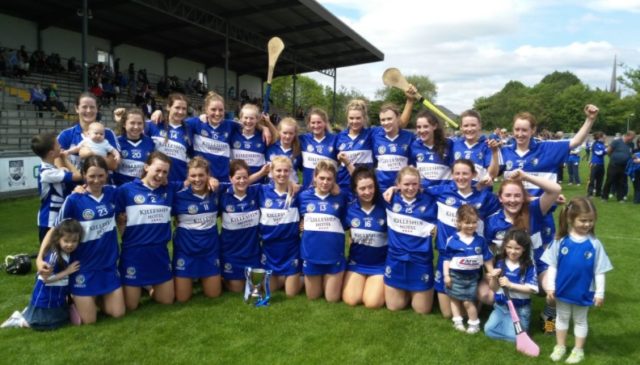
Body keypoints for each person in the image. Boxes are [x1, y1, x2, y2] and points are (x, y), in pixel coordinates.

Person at [37, 156, 125, 324]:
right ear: (84, 175)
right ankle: (72, 298)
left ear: (107, 175)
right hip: (82, 267)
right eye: (91, 176)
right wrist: (40, 259)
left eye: (100, 175)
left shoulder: (113, 193)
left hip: (108, 265)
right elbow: (54, 230)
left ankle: (97, 298)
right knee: (89, 320)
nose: (96, 180)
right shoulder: (74, 199)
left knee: (118, 314)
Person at [543, 197, 613, 364]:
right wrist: (550, 286)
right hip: (562, 289)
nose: (587, 224)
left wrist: (600, 292)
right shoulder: (560, 241)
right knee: (561, 317)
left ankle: (578, 350)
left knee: (580, 320)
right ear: (570, 218)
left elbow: (600, 270)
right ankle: (560, 346)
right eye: (583, 220)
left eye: (591, 221)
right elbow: (552, 266)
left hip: (583, 291)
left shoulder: (595, 244)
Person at [116, 152, 177, 310]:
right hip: (134, 253)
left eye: (165, 172)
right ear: (146, 167)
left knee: (167, 301)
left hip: (159, 253)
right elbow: (106, 205)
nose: (160, 175)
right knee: (130, 306)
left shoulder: (169, 190)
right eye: (157, 170)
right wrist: (81, 189)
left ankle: (149, 287)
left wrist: (211, 179)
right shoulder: (126, 190)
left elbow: (192, 182)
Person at [1, 219, 82, 330]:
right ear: (58, 239)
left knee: (60, 322)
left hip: (58, 296)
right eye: (66, 241)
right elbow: (46, 279)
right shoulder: (53, 256)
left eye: (74, 241)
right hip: (46, 296)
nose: (70, 245)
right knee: (42, 325)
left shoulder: (70, 254)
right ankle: (18, 320)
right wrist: (67, 271)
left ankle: (26, 313)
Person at [383, 166, 437, 314]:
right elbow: (366, 191)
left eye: (414, 184)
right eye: (406, 184)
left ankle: (418, 291)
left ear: (420, 184)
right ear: (398, 184)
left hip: (420, 260)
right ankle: (406, 291)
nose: (411, 188)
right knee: (394, 307)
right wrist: (392, 189)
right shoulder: (390, 198)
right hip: (395, 259)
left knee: (422, 310)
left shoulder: (430, 201)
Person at [172, 157, 222, 302]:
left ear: (208, 175)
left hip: (209, 251)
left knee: (213, 295)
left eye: (201, 175)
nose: (197, 179)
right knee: (182, 298)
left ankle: (218, 276)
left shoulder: (217, 192)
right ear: (188, 176)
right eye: (193, 175)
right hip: (185, 251)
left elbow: (241, 183)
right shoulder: (178, 196)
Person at [298, 160, 348, 302]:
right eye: (322, 178)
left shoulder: (341, 197)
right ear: (314, 177)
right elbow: (292, 214)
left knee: (331, 299)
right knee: (312, 297)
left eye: (329, 179)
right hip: (311, 254)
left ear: (334, 180)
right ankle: (298, 277)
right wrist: (299, 224)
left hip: (333, 254)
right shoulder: (303, 196)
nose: (325, 182)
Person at [443, 205, 494, 334]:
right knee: (454, 298)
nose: (470, 226)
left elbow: (487, 258)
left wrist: (491, 271)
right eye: (467, 222)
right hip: (455, 276)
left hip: (472, 278)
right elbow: (446, 260)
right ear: (459, 222)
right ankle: (457, 321)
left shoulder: (480, 241)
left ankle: (474, 323)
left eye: (473, 222)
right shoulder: (452, 240)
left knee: (467, 301)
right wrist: (446, 275)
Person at [342, 166, 387, 308]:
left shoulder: (386, 206)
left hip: (380, 265)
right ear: (355, 189)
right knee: (351, 300)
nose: (367, 192)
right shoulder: (349, 209)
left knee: (372, 303)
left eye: (370, 187)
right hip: (357, 263)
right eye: (362, 188)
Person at [258, 156, 302, 296]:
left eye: (285, 171)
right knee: (269, 289)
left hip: (290, 248)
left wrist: (305, 221)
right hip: (270, 249)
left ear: (290, 172)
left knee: (291, 293)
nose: (282, 174)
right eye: (278, 171)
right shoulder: (262, 191)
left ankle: (304, 277)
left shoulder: (297, 193)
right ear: (271, 171)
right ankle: (282, 277)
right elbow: (238, 184)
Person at [484, 228, 538, 342]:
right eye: (509, 247)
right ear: (504, 246)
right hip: (501, 307)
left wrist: (510, 285)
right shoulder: (500, 262)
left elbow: (531, 289)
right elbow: (494, 288)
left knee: (514, 337)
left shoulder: (529, 265)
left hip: (520, 309)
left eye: (517, 248)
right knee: (488, 330)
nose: (512, 251)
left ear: (524, 248)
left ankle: (514, 329)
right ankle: (510, 326)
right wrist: (493, 277)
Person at [219, 160, 263, 293]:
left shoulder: (256, 191)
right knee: (237, 289)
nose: (242, 181)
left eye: (245, 177)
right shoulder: (222, 194)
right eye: (238, 178)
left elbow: (279, 185)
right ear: (230, 178)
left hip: (252, 251)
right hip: (231, 252)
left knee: (254, 287)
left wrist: (290, 183)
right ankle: (221, 277)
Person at [31, 132, 82, 242]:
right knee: (49, 256)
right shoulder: (47, 173)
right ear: (52, 153)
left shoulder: (53, 170)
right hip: (49, 220)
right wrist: (65, 159)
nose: (61, 146)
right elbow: (78, 176)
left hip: (60, 218)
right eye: (58, 144)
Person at [57, 93, 119, 174]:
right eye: (84, 107)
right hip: (73, 185)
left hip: (101, 184)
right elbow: (56, 159)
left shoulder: (107, 133)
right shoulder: (66, 134)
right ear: (77, 108)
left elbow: (113, 165)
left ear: (97, 109)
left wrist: (91, 154)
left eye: (92, 107)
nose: (88, 110)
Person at [148, 93, 192, 183]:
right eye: (177, 107)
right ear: (168, 107)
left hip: (179, 181)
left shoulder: (190, 129)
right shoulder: (154, 124)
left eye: (184, 109)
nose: (180, 112)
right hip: (156, 180)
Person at [334, 100, 375, 194]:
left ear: (364, 118)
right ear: (347, 118)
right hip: (343, 187)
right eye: (351, 118)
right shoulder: (339, 137)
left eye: (358, 118)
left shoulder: (371, 134)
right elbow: (335, 162)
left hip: (365, 188)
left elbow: (398, 124)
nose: (354, 121)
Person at [372, 103, 415, 191]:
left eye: (389, 119)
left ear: (398, 118)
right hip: (381, 188)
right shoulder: (374, 135)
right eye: (383, 120)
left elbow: (413, 163)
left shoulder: (409, 137)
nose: (386, 123)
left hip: (403, 188)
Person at [229, 103, 276, 180]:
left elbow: (277, 138)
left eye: (252, 118)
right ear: (240, 118)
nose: (248, 121)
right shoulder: (233, 133)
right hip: (237, 184)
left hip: (257, 185)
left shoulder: (264, 136)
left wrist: (266, 127)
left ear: (257, 119)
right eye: (246, 118)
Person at [452, 110, 499, 183]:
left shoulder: (487, 145)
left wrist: (495, 152)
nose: (469, 129)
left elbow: (492, 175)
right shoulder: (454, 144)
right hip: (458, 192)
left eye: (473, 125)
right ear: (461, 127)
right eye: (466, 126)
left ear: (479, 126)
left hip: (480, 192)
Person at [409, 110, 452, 189]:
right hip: (424, 194)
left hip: (444, 193)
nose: (422, 130)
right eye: (419, 127)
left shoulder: (449, 144)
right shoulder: (414, 146)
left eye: (426, 126)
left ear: (434, 126)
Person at [113, 109, 155, 186]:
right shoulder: (116, 142)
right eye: (132, 123)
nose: (136, 127)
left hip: (142, 189)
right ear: (124, 124)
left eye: (140, 123)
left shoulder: (150, 142)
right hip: (121, 188)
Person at [299, 108, 338, 189]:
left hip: (328, 190)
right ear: (309, 124)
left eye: (319, 122)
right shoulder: (303, 139)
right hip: (308, 190)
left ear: (325, 123)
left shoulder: (335, 139)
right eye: (313, 123)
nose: (316, 126)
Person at [601, 130, 635, 202]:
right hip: (614, 165)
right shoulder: (616, 142)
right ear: (627, 135)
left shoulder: (631, 144)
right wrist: (614, 158)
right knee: (609, 181)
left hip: (624, 166)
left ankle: (620, 198)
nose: (632, 140)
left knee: (622, 182)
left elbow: (631, 153)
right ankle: (604, 197)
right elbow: (608, 151)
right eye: (631, 138)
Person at [265, 117, 301, 184]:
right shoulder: (270, 147)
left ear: (295, 134)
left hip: (291, 190)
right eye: (285, 133)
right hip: (272, 189)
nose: (287, 136)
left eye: (291, 133)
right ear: (279, 132)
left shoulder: (298, 151)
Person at [587, 132, 606, 197]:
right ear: (600, 137)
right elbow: (599, 153)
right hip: (595, 164)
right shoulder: (595, 144)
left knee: (600, 179)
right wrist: (607, 150)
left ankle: (598, 193)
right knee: (592, 179)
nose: (605, 138)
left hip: (601, 164)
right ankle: (590, 193)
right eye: (604, 137)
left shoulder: (602, 144)